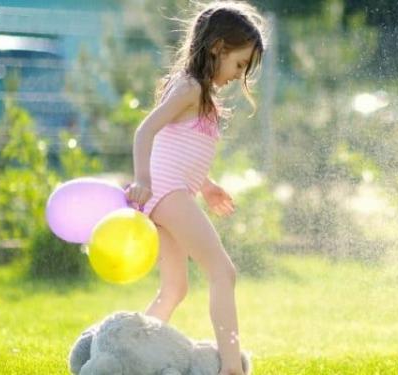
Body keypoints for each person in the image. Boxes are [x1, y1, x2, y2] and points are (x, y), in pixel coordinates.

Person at [124, 3, 264, 374]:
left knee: (175, 289)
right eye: (239, 64)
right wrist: (142, 178)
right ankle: (232, 368)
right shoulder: (188, 87)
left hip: (172, 193)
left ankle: (130, 354)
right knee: (223, 271)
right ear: (217, 47)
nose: (239, 75)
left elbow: (181, 149)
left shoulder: (203, 96)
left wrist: (207, 185)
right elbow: (146, 131)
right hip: (166, 193)